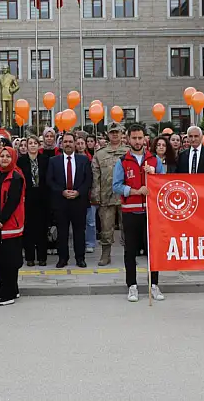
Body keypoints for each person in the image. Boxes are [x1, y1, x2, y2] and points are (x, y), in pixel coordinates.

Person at [112, 124, 166, 303]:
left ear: (145, 139)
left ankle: (154, 284)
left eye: (140, 138)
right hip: (130, 211)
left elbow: (164, 183)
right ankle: (132, 285)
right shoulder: (123, 161)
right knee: (130, 251)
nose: (137, 141)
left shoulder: (154, 160)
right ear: (128, 139)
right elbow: (116, 186)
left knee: (153, 250)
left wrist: (155, 175)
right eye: (134, 138)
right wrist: (136, 191)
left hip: (150, 212)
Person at [46, 133, 92, 268]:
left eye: (70, 142)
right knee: (62, 232)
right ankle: (63, 259)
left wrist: (78, 192)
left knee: (79, 231)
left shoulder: (83, 160)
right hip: (61, 201)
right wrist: (62, 191)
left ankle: (80, 258)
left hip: (79, 201)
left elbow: (88, 180)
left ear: (75, 144)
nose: (68, 144)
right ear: (61, 144)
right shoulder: (54, 161)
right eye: (65, 142)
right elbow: (50, 180)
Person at [0, 146, 25, 306]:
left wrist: (0, 221)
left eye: (7, 156)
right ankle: (13, 289)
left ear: (13, 158)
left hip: (9, 224)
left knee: (8, 260)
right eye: (2, 156)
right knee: (1, 258)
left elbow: (12, 202)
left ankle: (6, 294)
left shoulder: (16, 177)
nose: (4, 159)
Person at [91, 122, 128, 266]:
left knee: (127, 228)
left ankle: (128, 255)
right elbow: (96, 177)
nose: (114, 134)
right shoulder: (100, 154)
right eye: (112, 132)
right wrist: (96, 196)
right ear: (108, 134)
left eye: (117, 132)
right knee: (106, 228)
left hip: (125, 196)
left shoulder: (128, 152)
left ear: (121, 134)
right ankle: (105, 255)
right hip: (106, 197)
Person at [17, 135, 49, 266]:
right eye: (30, 143)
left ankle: (42, 257)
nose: (33, 145)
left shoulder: (45, 160)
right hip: (27, 198)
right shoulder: (21, 161)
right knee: (28, 229)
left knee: (41, 229)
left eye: (35, 143)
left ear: (39, 145)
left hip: (42, 198)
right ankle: (29, 257)